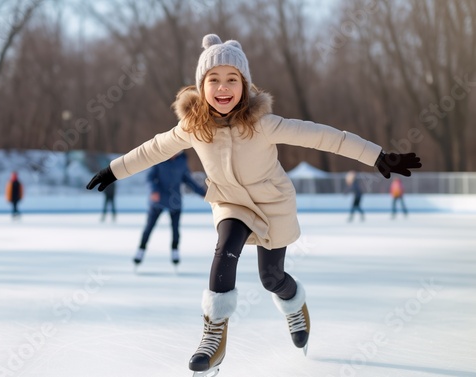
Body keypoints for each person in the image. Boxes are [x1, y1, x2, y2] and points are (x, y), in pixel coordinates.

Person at [87, 34, 421, 375]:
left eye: (232, 79)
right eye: (213, 79)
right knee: (225, 248)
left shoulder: (264, 124)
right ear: (201, 86)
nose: (223, 87)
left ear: (245, 85)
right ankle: (213, 335)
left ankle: (294, 304)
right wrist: (115, 170)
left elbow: (324, 136)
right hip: (231, 202)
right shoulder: (193, 127)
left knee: (271, 277)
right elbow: (154, 148)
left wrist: (377, 155)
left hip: (272, 203)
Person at [133, 152, 206, 266]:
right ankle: (141, 250)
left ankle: (175, 250)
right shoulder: (158, 160)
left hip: (174, 201)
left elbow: (187, 179)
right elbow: (150, 178)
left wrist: (202, 192)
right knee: (149, 227)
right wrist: (154, 191)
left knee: (176, 229)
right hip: (158, 200)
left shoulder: (182, 162)